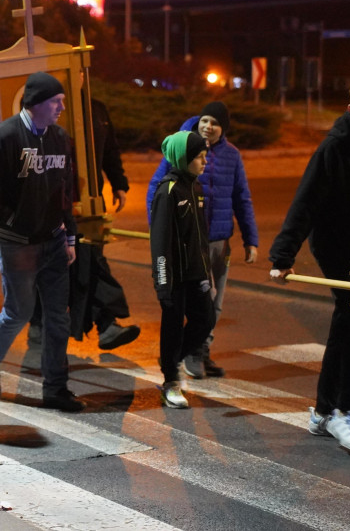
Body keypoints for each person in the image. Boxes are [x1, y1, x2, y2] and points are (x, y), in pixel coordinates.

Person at [269, 74, 350, 456]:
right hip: (339, 246)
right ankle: (343, 411)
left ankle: (324, 411)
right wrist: (283, 255)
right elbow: (306, 201)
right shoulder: (335, 148)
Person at [0, 71, 82, 413]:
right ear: (35, 103)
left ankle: (56, 388)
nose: (62, 108)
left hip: (54, 240)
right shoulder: (4, 136)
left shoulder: (60, 138)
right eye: (56, 102)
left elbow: (66, 192)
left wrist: (70, 235)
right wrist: (9, 219)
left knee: (58, 317)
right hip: (17, 243)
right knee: (19, 312)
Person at [146, 101, 258, 378]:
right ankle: (184, 357)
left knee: (213, 305)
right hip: (190, 244)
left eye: (215, 123)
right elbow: (157, 190)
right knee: (199, 302)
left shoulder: (232, 155)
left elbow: (241, 197)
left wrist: (250, 239)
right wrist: (161, 228)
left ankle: (199, 350)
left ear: (223, 128)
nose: (208, 126)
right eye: (205, 120)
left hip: (219, 240)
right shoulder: (183, 149)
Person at [68, 98, 141, 350]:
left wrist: (119, 183)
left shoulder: (96, 108)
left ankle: (106, 324)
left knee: (92, 261)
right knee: (68, 267)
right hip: (58, 204)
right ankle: (40, 324)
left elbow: (109, 149)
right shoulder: (49, 105)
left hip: (92, 202)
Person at [150, 130, 215, 409]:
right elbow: (160, 242)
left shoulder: (195, 187)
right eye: (199, 157)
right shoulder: (168, 192)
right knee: (173, 328)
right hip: (174, 278)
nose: (204, 162)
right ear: (183, 158)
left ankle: (170, 358)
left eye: (205, 156)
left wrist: (206, 273)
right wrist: (163, 283)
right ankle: (170, 381)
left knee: (205, 320)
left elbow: (201, 237)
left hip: (195, 275)